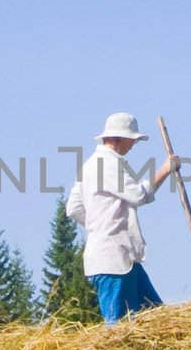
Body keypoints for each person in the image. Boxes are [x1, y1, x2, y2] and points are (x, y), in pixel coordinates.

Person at [66, 112, 180, 323]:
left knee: (157, 319)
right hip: (113, 259)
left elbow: (73, 208)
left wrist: (98, 223)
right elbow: (137, 195)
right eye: (132, 140)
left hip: (122, 258)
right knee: (119, 329)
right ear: (119, 137)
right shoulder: (107, 163)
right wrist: (165, 170)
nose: (133, 145)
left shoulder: (89, 166)